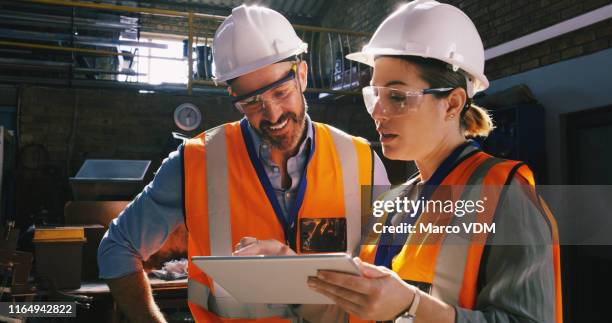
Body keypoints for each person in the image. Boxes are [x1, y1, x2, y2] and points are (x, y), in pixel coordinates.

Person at [243, 1, 563, 322]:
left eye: (396, 97)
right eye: (375, 96)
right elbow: (350, 310)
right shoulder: (392, 203)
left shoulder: (505, 195)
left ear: (452, 104)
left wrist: (412, 306)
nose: (378, 113)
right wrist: (290, 272)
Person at [97, 4, 389, 323]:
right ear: (233, 95)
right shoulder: (195, 163)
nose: (273, 115)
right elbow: (116, 248)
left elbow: (393, 274)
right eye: (252, 102)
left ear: (302, 75)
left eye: (281, 91)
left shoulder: (362, 161)